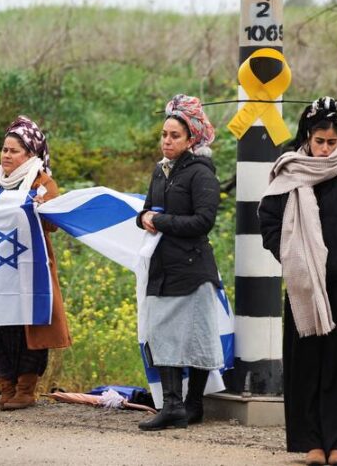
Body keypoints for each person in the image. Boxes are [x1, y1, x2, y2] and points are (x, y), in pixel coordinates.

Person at [258, 97, 337, 466]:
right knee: (307, 366)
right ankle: (312, 443)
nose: (325, 148)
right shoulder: (289, 175)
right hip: (302, 287)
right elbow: (267, 222)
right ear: (308, 137)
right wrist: (294, 257)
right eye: (319, 141)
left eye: (332, 142)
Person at [0, 116, 70, 410]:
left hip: (30, 270)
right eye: (4, 149)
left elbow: (53, 223)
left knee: (30, 327)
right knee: (1, 326)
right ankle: (6, 387)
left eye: (13, 151)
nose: (6, 155)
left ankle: (26, 389)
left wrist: (42, 207)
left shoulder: (41, 181)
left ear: (30, 154)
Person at [135, 94, 224, 431]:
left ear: (191, 140)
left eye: (174, 136)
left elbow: (204, 221)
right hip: (162, 266)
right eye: (164, 134)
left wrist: (161, 221)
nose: (167, 141)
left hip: (192, 268)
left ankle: (192, 405)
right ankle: (172, 405)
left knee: (196, 337)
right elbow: (146, 211)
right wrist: (144, 218)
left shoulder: (201, 174)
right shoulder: (161, 171)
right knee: (161, 333)